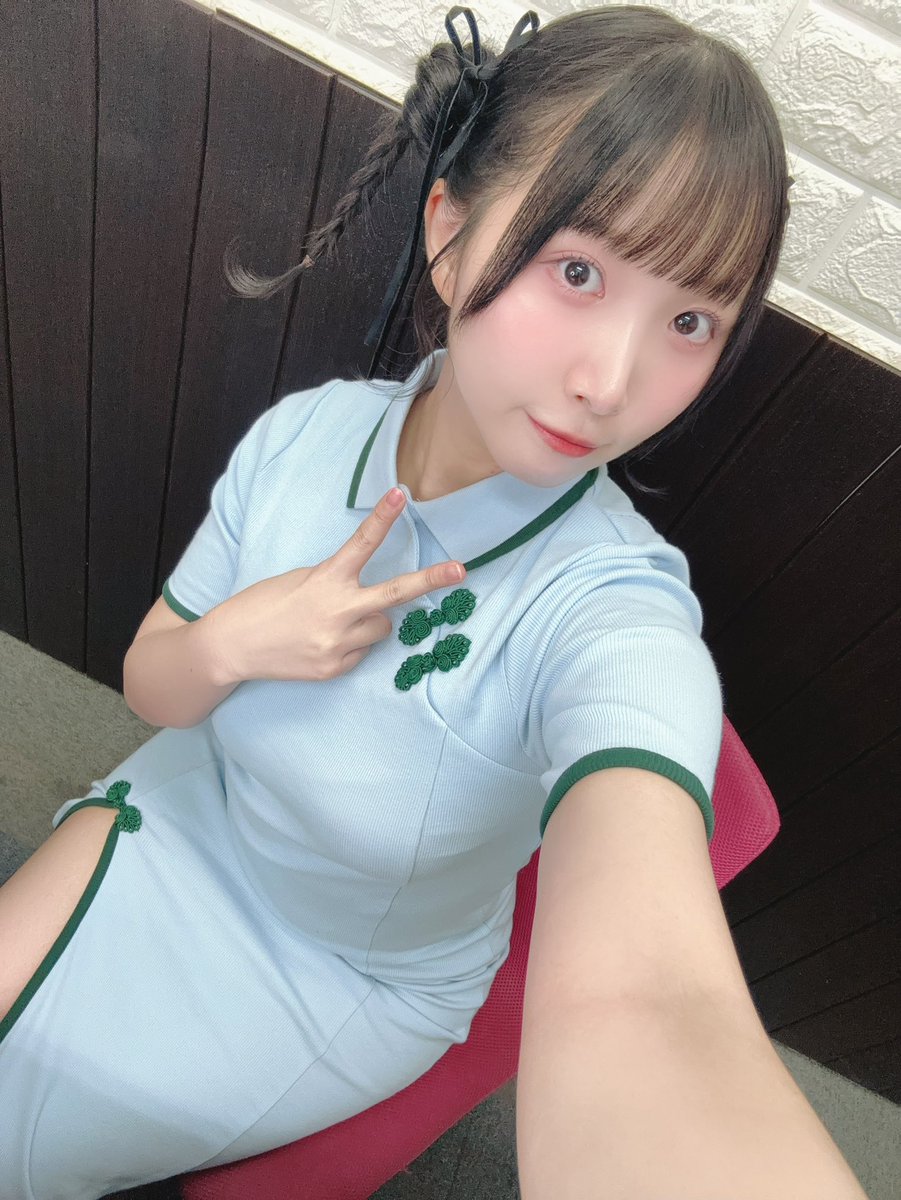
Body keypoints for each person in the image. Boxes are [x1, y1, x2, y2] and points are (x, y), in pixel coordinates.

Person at [0, 6, 870, 1198]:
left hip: (333, 975)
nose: (612, 381)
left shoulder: (607, 606)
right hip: (188, 814)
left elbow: (650, 1001)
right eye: (577, 271)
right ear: (450, 234)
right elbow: (156, 690)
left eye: (689, 321)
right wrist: (239, 641)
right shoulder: (307, 436)